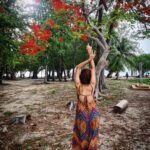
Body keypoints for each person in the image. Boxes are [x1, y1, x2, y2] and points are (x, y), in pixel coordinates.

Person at [72, 44, 100, 150]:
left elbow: (78, 67)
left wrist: (89, 58)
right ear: (89, 77)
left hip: (81, 117)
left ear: (80, 77)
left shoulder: (78, 86)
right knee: (92, 138)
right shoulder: (92, 85)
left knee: (81, 138)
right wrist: (90, 55)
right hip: (93, 116)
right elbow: (93, 68)